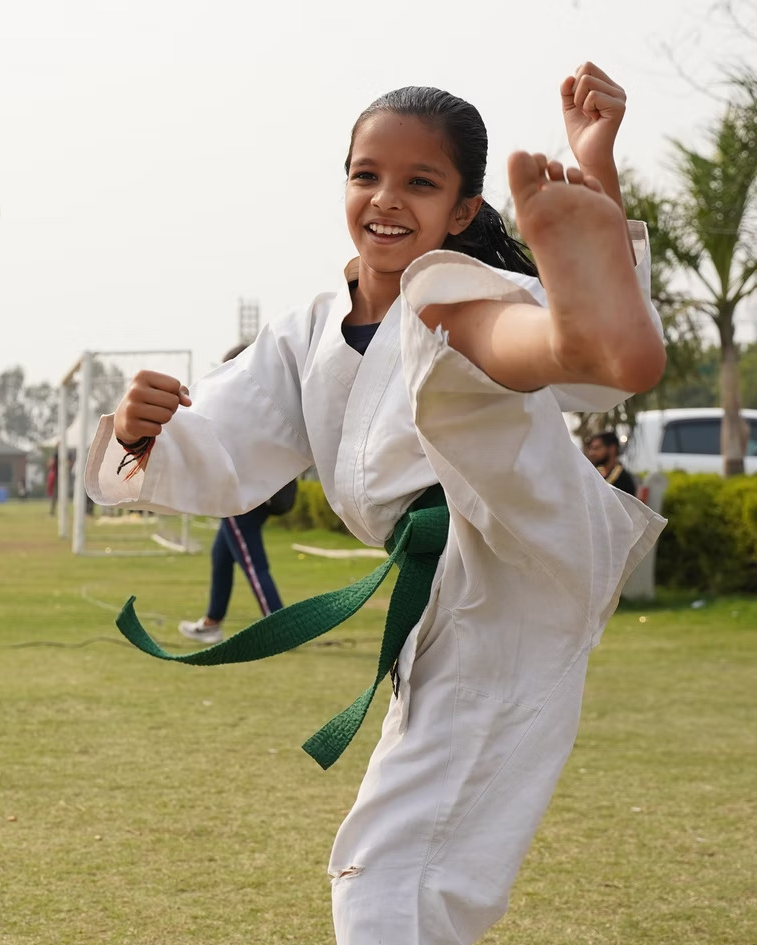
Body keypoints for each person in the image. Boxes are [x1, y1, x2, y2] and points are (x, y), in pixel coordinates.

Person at [88, 65, 665, 944]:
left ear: (463, 210)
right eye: (367, 174)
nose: (385, 198)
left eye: (420, 182)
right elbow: (221, 442)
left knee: (387, 879)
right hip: (445, 610)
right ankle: (587, 311)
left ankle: (585, 310)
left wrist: (589, 211)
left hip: (508, 586)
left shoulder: (452, 289)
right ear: (346, 182)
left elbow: (535, 354)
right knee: (416, 885)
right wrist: (141, 431)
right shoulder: (309, 329)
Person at [179, 346, 296, 644]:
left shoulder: (243, 403)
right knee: (221, 555)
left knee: (253, 564)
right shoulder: (270, 399)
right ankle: (211, 622)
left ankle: (280, 626)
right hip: (261, 491)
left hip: (243, 495)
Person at [585, 431, 637, 496]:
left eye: (596, 448)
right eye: (591, 448)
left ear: (612, 449)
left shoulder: (624, 480)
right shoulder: (594, 474)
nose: (591, 453)